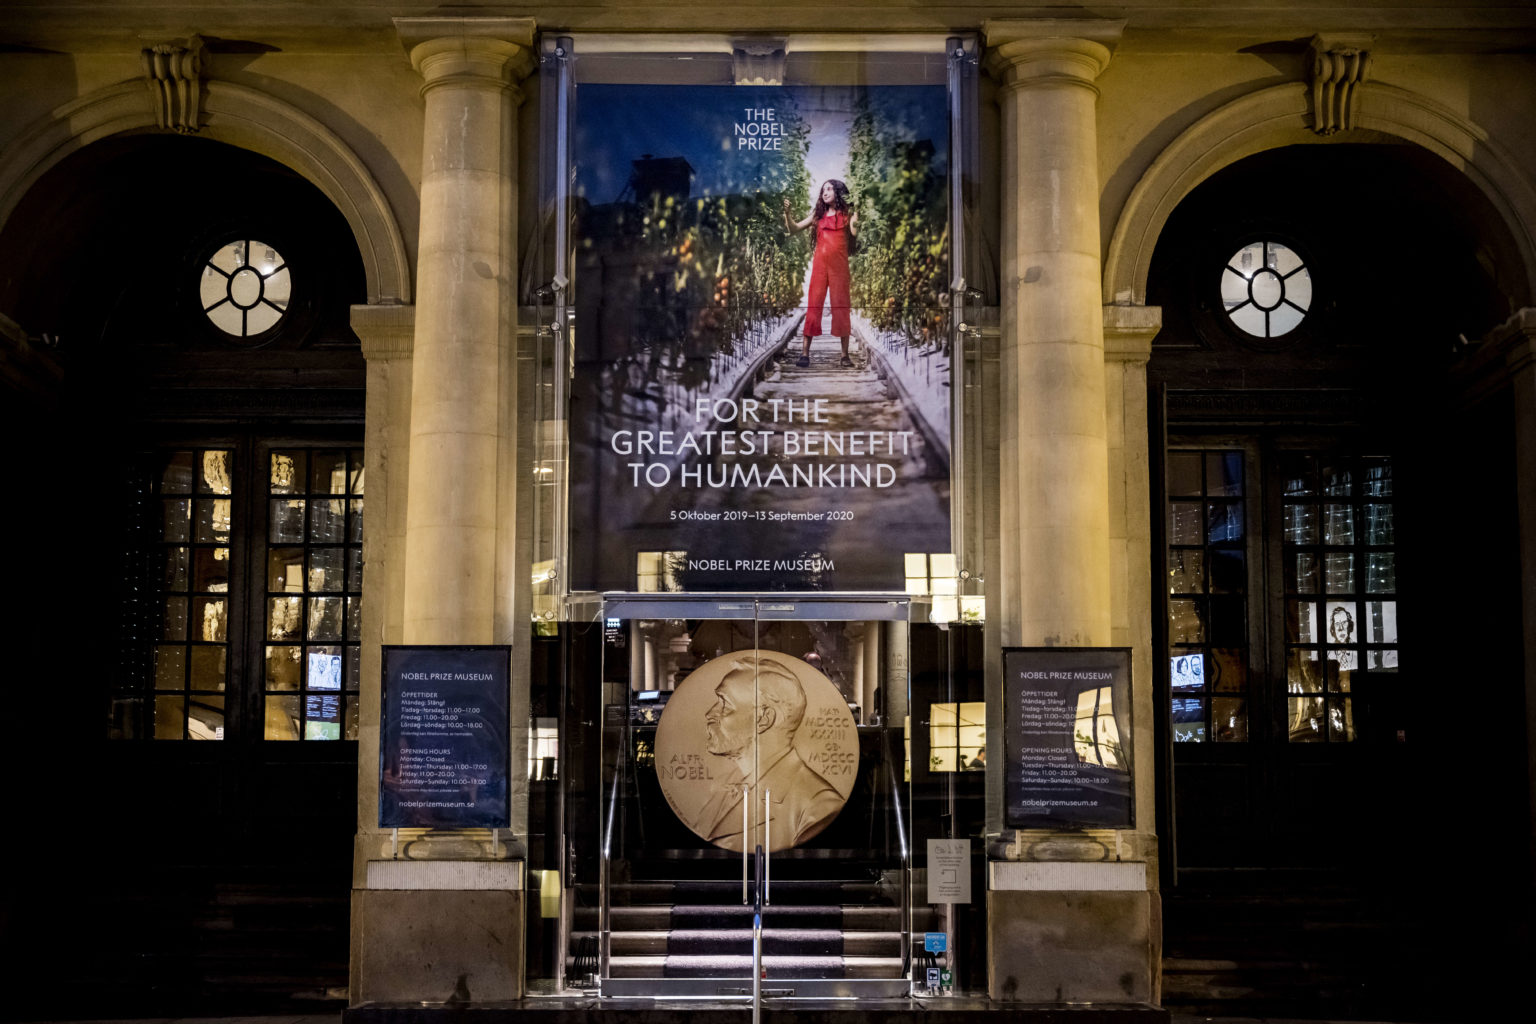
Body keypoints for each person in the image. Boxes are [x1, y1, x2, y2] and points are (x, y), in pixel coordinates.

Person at [691, 655, 846, 851]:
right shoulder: (726, 786)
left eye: (725, 704)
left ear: (764, 719)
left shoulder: (818, 807)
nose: (710, 714)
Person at [783, 179, 860, 368]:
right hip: (820, 266)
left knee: (841, 306)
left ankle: (844, 356)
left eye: (829, 189)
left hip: (839, 268)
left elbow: (855, 232)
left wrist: (858, 210)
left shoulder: (847, 214)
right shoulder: (817, 215)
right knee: (814, 305)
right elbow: (793, 229)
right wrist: (787, 213)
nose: (825, 193)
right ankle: (804, 354)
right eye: (823, 190)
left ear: (838, 192)